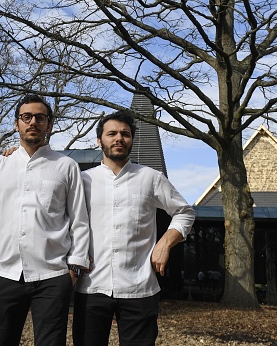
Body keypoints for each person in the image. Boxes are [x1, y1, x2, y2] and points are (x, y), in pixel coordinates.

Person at [72, 109, 195, 346]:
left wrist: (165, 243)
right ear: (99, 141)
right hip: (90, 286)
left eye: (125, 134)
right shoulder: (82, 180)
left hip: (140, 287)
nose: (119, 138)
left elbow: (184, 212)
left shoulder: (151, 178)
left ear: (131, 140)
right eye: (112, 134)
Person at [0, 94, 90, 346]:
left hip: (53, 275)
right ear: (16, 123)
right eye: (26, 117)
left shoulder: (66, 166)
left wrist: (73, 270)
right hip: (4, 274)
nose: (33, 122)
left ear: (49, 124)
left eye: (40, 118)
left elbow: (79, 220)